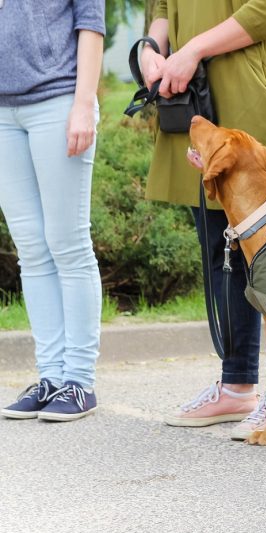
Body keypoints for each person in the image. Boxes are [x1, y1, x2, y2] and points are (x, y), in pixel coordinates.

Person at [140, 0, 266, 430]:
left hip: (249, 85)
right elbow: (162, 4)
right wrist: (152, 47)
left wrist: (193, 50)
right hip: (190, 89)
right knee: (218, 249)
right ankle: (237, 385)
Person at [0, 0, 105, 422]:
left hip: (58, 102)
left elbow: (91, 25)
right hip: (3, 115)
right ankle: (51, 376)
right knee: (32, 247)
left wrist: (84, 103)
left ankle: (78, 381)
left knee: (68, 242)